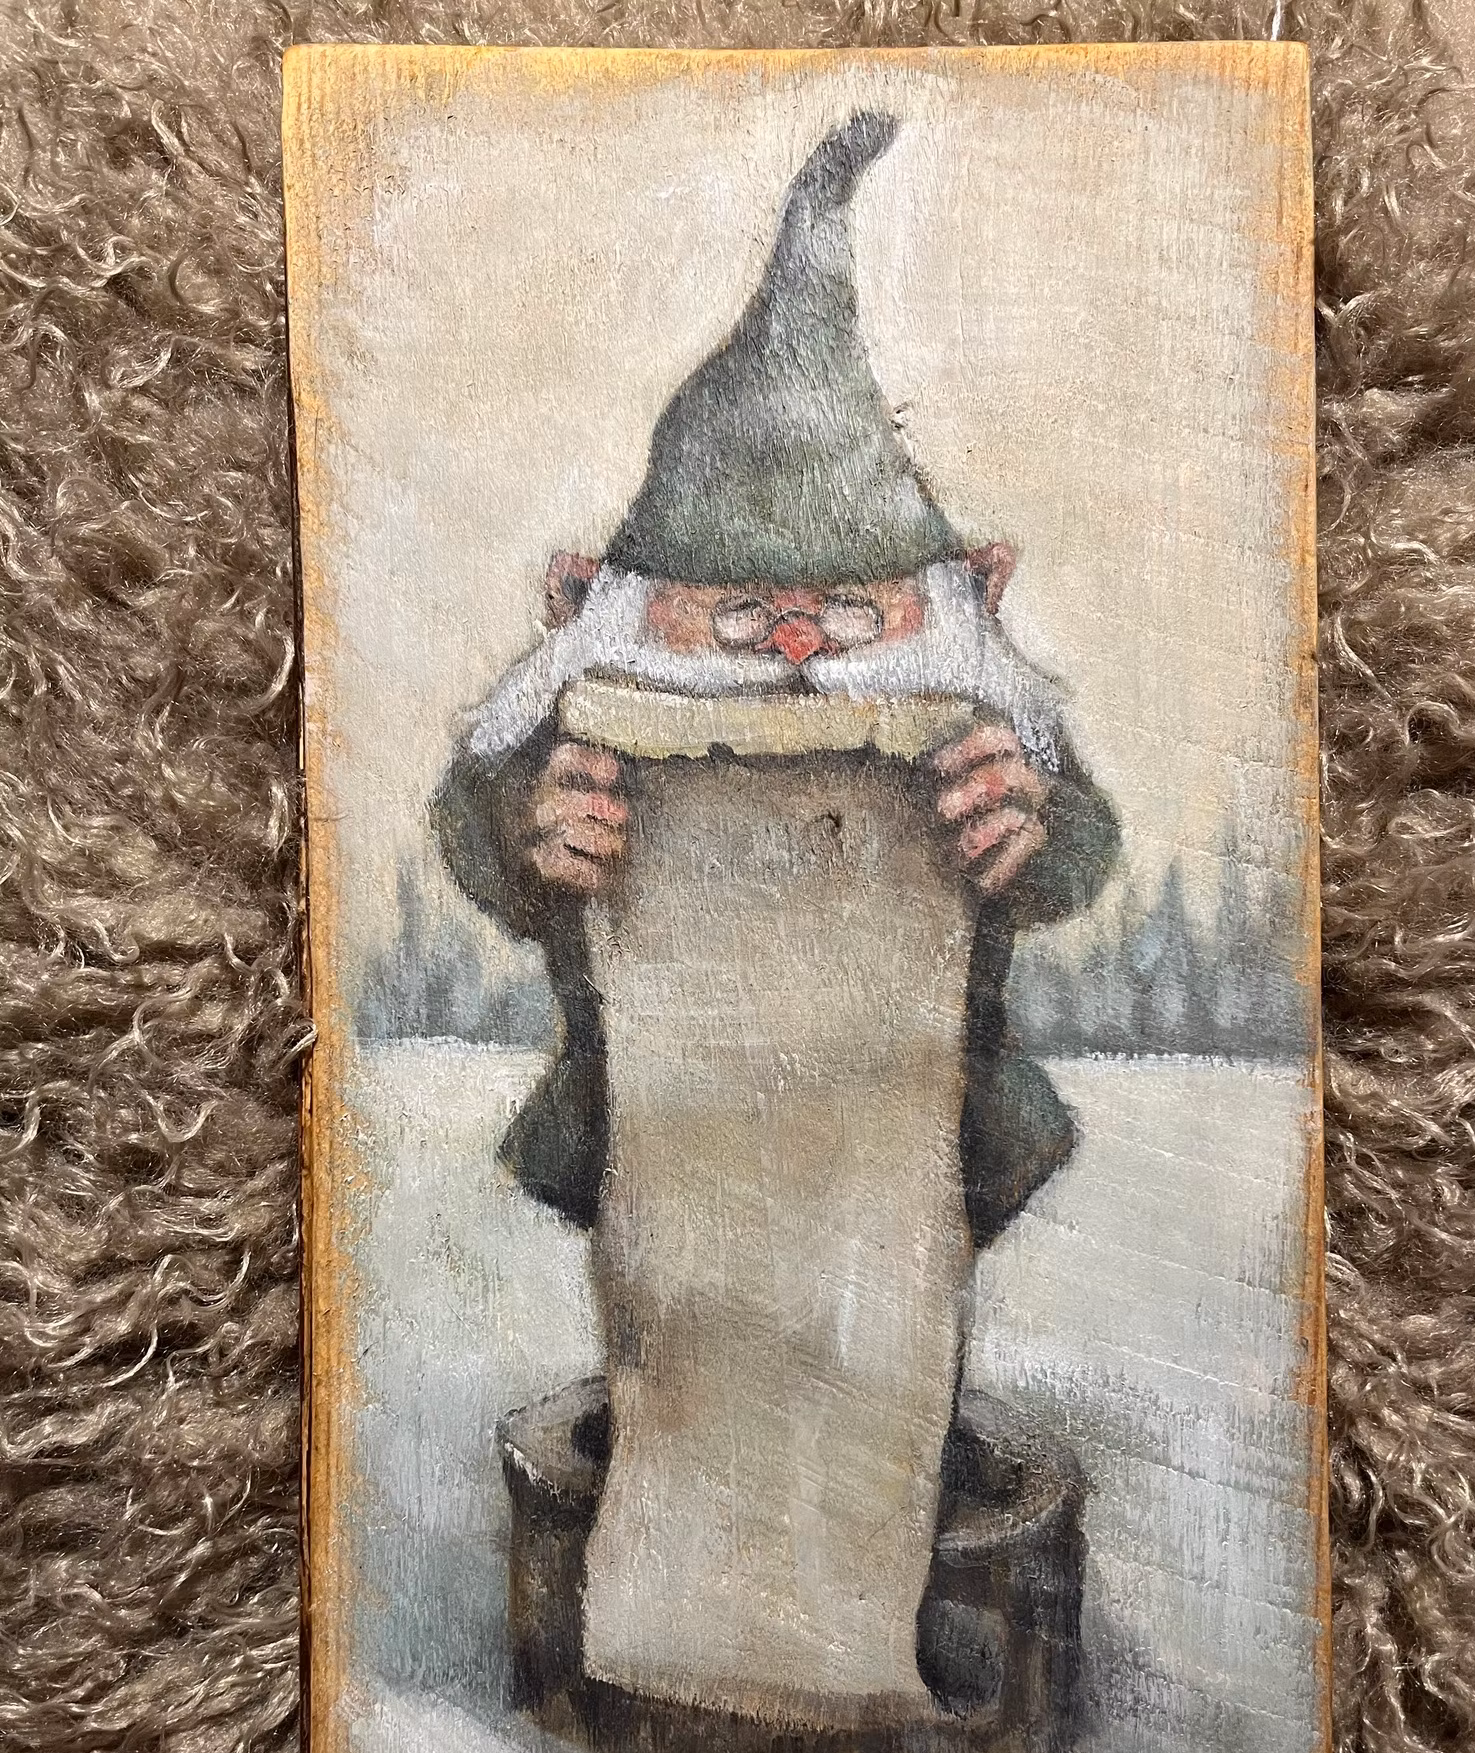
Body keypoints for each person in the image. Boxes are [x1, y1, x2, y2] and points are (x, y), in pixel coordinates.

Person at [434, 110, 1119, 1255]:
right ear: (583, 599)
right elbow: (474, 818)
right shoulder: (596, 710)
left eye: (852, 611)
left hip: (922, 1130)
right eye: (737, 612)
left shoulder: (970, 709)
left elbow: (1083, 838)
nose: (798, 647)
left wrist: (1035, 823)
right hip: (653, 1124)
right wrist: (526, 825)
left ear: (974, 591)